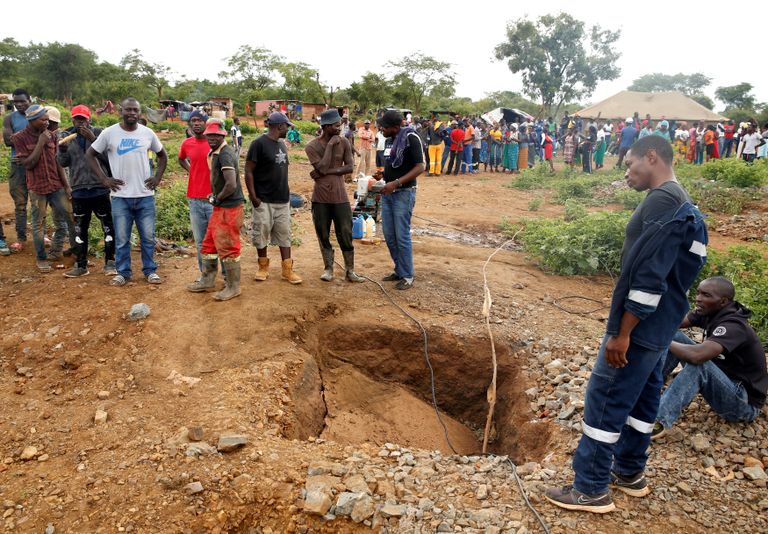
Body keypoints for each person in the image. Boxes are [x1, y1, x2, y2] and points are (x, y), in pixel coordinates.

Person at [544, 135, 708, 514]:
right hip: (661, 327)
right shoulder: (685, 203)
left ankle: (590, 488)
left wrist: (623, 334)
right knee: (644, 398)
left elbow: (649, 281)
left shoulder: (663, 204)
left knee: (606, 400)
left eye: (629, 164)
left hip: (642, 329)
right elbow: (686, 268)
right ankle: (630, 472)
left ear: (651, 157)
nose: (626, 172)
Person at [651, 277, 766, 439]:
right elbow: (672, 325)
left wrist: (661, 340)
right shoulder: (709, 311)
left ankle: (658, 421)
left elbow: (697, 356)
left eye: (706, 295)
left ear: (723, 301)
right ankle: (649, 392)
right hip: (725, 381)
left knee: (699, 363)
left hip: (743, 404)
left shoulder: (734, 326)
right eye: (698, 293)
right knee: (673, 336)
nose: (698, 298)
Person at [86, 97, 167, 286]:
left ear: (140, 113)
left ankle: (150, 271)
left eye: (135, 110)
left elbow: (162, 155)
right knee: (122, 239)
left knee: (148, 238)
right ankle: (123, 272)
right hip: (120, 197)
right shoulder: (109, 133)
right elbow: (90, 154)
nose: (132, 113)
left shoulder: (147, 133)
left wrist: (157, 178)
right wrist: (104, 179)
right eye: (128, 110)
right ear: (121, 111)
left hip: (145, 196)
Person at [11, 105, 77, 273]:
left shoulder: (53, 135)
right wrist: (41, 142)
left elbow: (58, 162)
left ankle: (78, 253)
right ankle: (41, 258)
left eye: (48, 119)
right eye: (44, 120)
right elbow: (28, 164)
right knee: (39, 224)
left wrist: (67, 186)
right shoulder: (20, 138)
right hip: (37, 188)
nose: (47, 123)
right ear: (32, 121)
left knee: (71, 218)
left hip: (56, 185)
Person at [186, 120, 245, 300]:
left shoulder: (225, 154)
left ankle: (234, 286)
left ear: (223, 136)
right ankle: (208, 279)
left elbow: (231, 184)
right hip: (221, 206)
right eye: (209, 135)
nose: (211, 138)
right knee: (209, 244)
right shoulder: (216, 152)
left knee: (228, 246)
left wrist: (216, 198)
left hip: (229, 207)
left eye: (216, 136)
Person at [304, 109, 364, 283]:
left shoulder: (344, 142)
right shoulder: (311, 146)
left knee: (345, 232)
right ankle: (328, 268)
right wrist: (330, 146)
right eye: (336, 125)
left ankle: (350, 271)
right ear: (326, 126)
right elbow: (321, 168)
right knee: (322, 233)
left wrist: (324, 172)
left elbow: (349, 168)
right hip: (320, 198)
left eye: (340, 125)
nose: (339, 128)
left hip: (340, 196)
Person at [57, 104, 116, 277]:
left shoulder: (100, 133)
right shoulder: (65, 135)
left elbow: (109, 158)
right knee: (80, 229)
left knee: (108, 227)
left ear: (89, 119)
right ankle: (81, 265)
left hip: (99, 187)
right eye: (77, 119)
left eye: (83, 119)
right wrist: (61, 151)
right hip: (79, 189)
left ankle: (110, 263)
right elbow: (63, 163)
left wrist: (93, 140)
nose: (80, 122)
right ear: (72, 119)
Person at [244, 112, 302, 285]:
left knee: (285, 234)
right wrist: (253, 196)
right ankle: (263, 267)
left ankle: (287, 270)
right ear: (279, 126)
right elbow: (248, 171)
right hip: (264, 199)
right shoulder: (258, 144)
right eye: (287, 126)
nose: (288, 129)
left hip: (282, 199)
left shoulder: (282, 144)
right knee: (261, 233)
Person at [374, 110, 424, 290]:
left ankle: (407, 275)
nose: (381, 129)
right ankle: (399, 269)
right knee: (389, 235)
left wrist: (396, 183)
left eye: (384, 127)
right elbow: (393, 165)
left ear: (395, 127)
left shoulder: (411, 138)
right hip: (389, 192)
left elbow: (420, 167)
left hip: (403, 193)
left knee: (401, 235)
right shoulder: (390, 140)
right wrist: (383, 175)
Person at [178, 110, 218, 275]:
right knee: (201, 242)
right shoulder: (187, 143)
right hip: (194, 198)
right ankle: (206, 275)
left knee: (218, 240)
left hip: (214, 199)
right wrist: (191, 170)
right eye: (193, 121)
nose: (196, 123)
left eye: (199, 120)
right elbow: (181, 158)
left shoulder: (215, 143)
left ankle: (224, 276)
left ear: (206, 123)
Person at [3, 88, 32, 251]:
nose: (19, 104)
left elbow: (45, 136)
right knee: (20, 203)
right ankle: (21, 238)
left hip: (37, 164)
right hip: (17, 164)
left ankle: (41, 235)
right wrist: (32, 139)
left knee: (38, 202)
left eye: (22, 101)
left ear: (30, 100)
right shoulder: (9, 118)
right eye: (16, 102)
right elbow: (8, 141)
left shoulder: (38, 115)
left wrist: (19, 138)